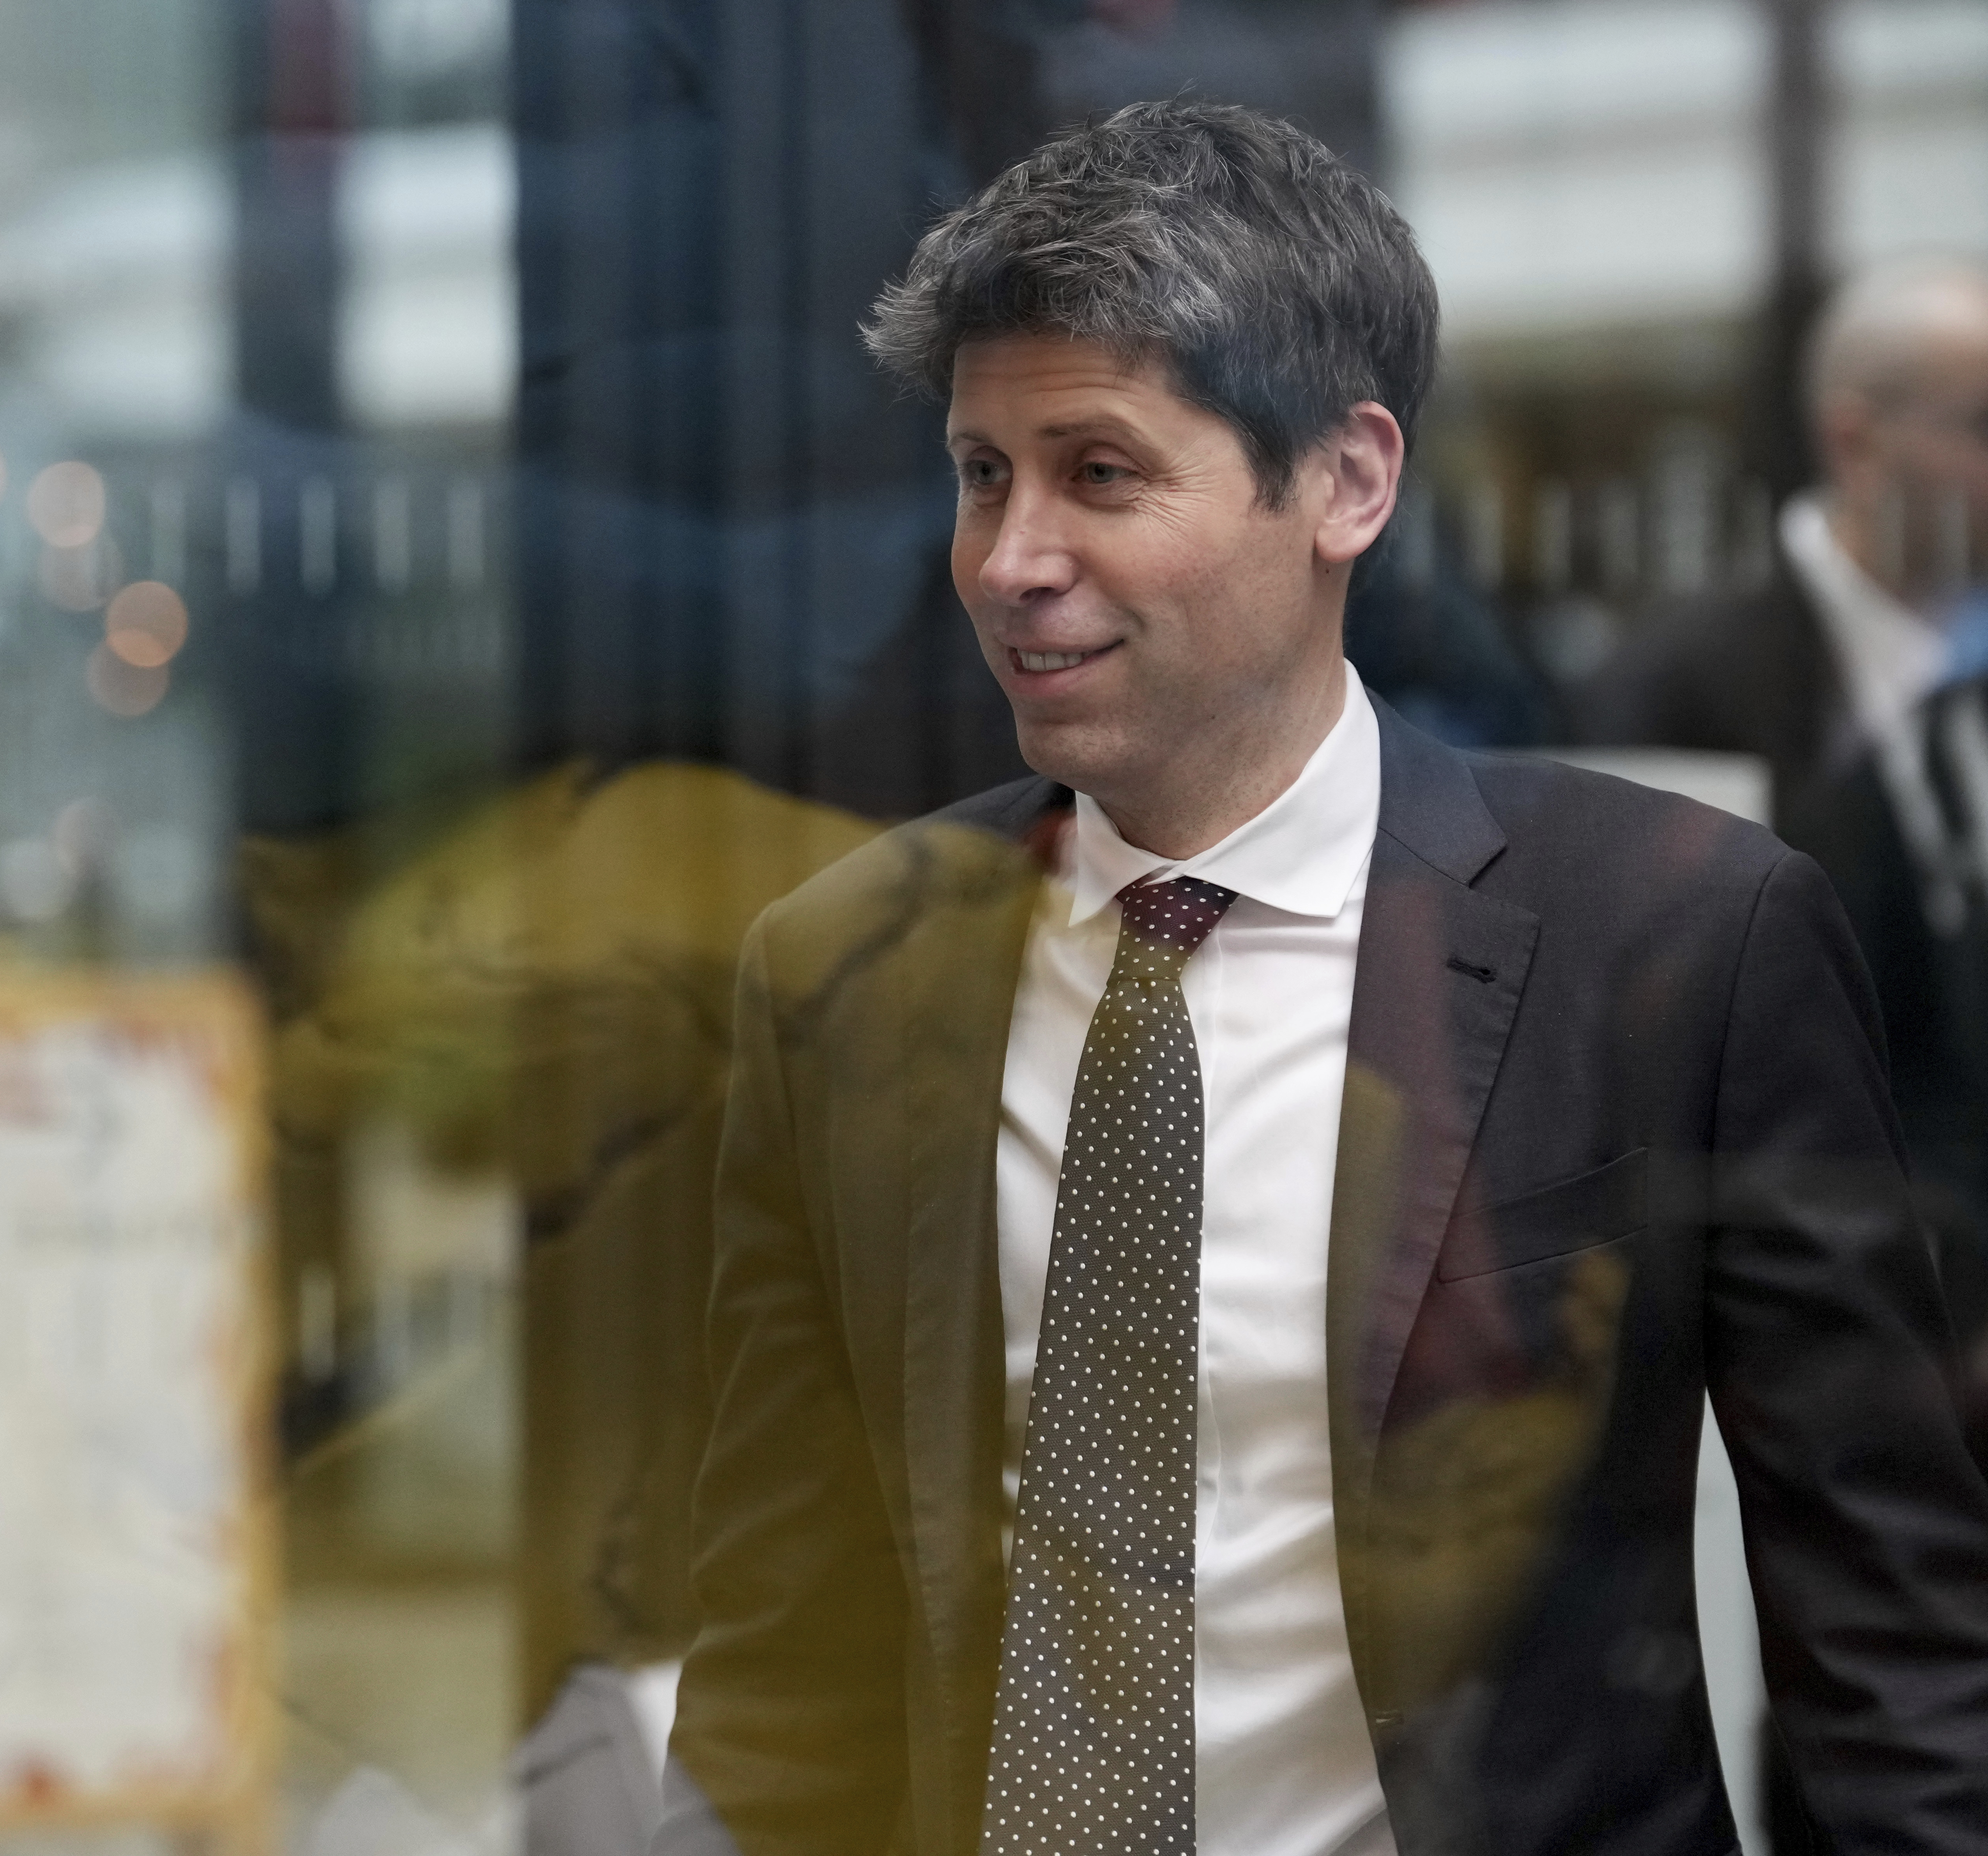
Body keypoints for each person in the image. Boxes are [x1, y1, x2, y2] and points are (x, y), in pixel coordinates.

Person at [659, 101, 1988, 1856]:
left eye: (1100, 472)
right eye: (983, 474)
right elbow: (776, 1670)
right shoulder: (841, 971)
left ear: (1347, 484)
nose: (1008, 560)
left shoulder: (1674, 937)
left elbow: (1889, 1656)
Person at [1580, 260, 1988, 1449]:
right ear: (1856, 442)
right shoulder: (1673, 690)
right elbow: (1652, 1071)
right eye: (1979, 427)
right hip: (1806, 1372)